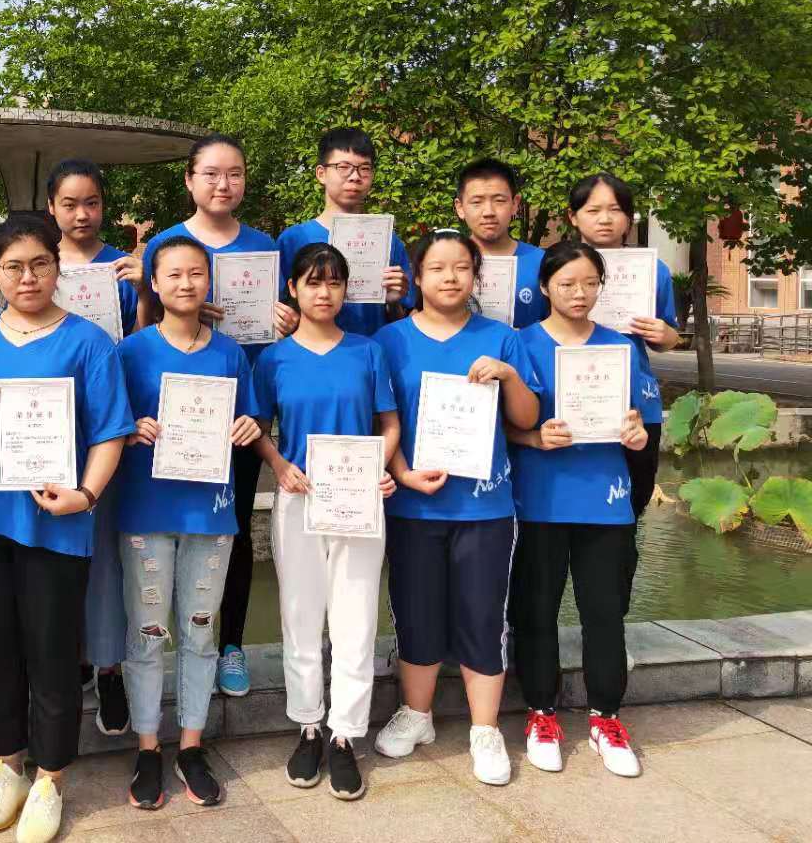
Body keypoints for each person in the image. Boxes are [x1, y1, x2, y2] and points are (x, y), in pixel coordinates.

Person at [0, 213, 133, 843]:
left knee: (52, 652)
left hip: (56, 524)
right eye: (13, 267)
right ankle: (6, 766)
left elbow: (111, 432)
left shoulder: (89, 342)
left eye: (40, 264)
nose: (28, 277)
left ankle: (49, 777)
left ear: (57, 267)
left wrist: (85, 495)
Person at [371, 229, 541, 787]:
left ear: (476, 276)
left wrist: (508, 375)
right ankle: (416, 714)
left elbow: (526, 419)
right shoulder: (388, 341)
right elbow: (383, 421)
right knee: (415, 612)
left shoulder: (500, 338)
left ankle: (484, 728)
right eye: (437, 268)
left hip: (484, 507)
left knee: (481, 614)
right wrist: (401, 473)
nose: (450, 277)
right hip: (413, 507)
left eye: (462, 268)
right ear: (416, 278)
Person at [141, 134, 296, 698]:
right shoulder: (165, 245)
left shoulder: (265, 247)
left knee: (231, 526)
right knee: (166, 531)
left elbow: (287, 318)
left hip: (240, 412)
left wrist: (287, 323)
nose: (223, 184)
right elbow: (143, 326)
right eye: (210, 173)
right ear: (189, 180)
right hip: (175, 416)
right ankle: (162, 649)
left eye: (234, 173)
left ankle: (228, 644)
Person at [115, 235, 262, 810]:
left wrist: (247, 427)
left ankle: (192, 745)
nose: (185, 283)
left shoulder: (229, 353)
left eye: (196, 273)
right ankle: (148, 747)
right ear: (154, 283)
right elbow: (107, 423)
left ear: (209, 281)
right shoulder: (130, 352)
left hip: (210, 512)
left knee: (200, 630)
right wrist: (131, 428)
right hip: (146, 510)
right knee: (147, 631)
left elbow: (249, 417)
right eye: (173, 274)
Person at [253, 243, 399, 800]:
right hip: (300, 498)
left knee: (355, 618)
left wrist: (380, 467)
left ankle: (345, 733)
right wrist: (278, 464)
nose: (324, 292)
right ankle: (309, 725)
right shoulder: (274, 359)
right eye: (313, 283)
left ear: (345, 290)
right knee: (300, 614)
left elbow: (389, 424)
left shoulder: (367, 351)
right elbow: (258, 427)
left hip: (358, 500)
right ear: (293, 289)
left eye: (334, 282)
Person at [508, 241, 652, 779]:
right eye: (567, 283)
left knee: (604, 614)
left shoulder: (621, 347)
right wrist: (533, 437)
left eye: (590, 283)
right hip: (540, 499)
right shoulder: (520, 343)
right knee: (536, 611)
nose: (579, 293)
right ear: (545, 286)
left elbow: (638, 423)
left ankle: (606, 718)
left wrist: (636, 436)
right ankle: (541, 713)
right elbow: (500, 428)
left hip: (605, 502)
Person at [46, 158, 145, 737]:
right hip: (47, 429)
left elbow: (144, 343)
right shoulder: (38, 265)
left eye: (92, 203)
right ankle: (70, 659)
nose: (81, 214)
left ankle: (109, 667)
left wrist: (145, 291)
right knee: (55, 551)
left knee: (106, 554)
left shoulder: (123, 269)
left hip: (109, 425)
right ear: (51, 208)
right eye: (69, 204)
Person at [566, 173, 679, 521]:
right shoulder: (555, 267)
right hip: (569, 400)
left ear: (629, 218)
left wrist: (665, 335)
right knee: (566, 503)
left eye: (615, 210)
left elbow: (669, 339)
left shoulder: (653, 271)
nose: (604, 219)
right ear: (573, 217)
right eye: (593, 210)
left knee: (632, 502)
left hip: (637, 406)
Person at [275, 127, 412, 338]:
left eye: (364, 168)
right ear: (321, 174)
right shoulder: (293, 240)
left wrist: (394, 302)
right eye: (344, 167)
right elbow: (280, 310)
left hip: (373, 351)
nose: (355, 177)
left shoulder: (387, 241)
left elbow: (403, 318)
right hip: (312, 352)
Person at [453, 158, 548, 328]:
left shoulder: (542, 262)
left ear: (515, 204)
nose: (488, 212)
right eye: (477, 202)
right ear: (460, 208)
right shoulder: (445, 263)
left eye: (499, 201)